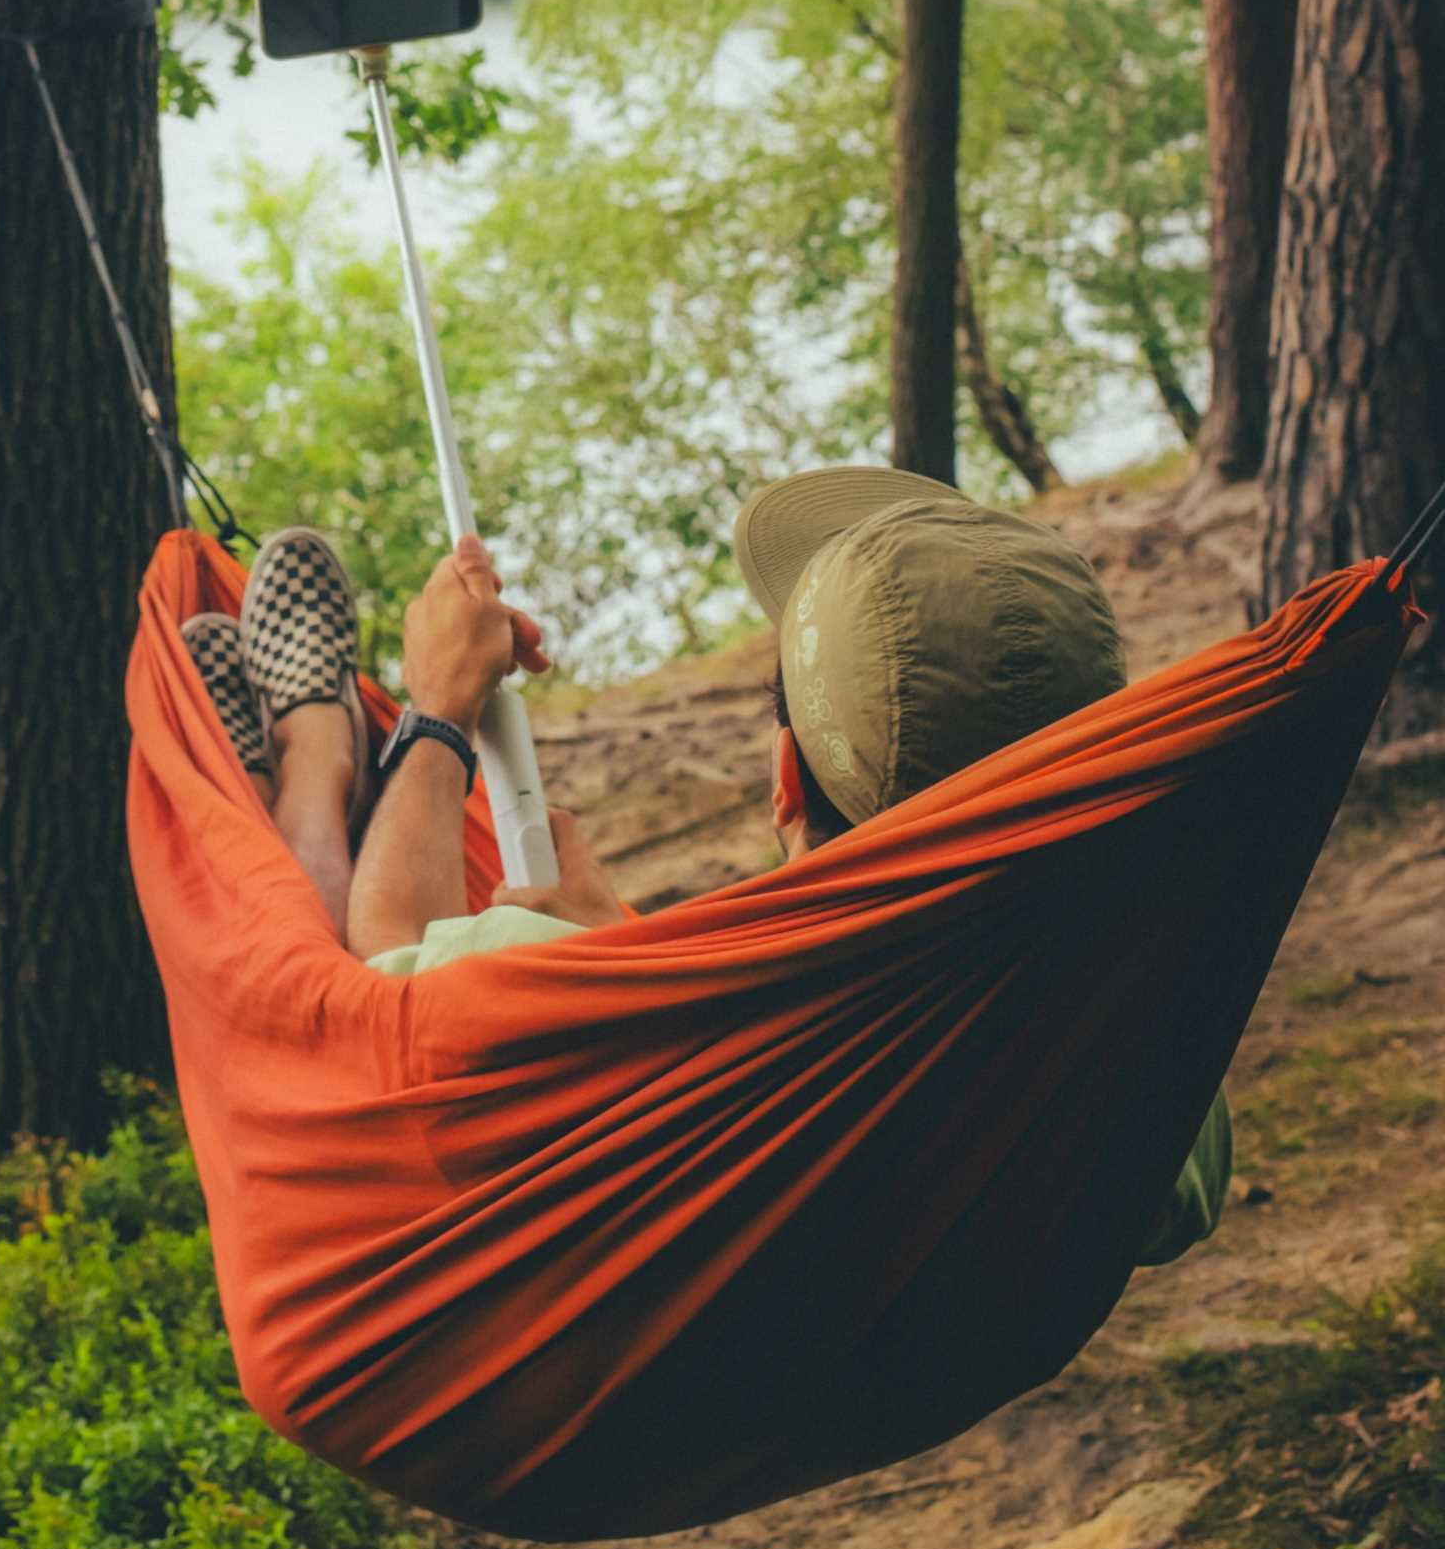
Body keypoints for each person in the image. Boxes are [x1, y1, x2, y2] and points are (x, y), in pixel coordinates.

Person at [182, 467, 1232, 1265]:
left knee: (306, 975)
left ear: (787, 778)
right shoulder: (1142, 1054)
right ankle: (305, 757)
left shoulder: (650, 1009)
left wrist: (438, 711)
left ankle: (311, 762)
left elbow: (380, 978)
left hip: (544, 1346)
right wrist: (612, 935)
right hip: (864, 1346)